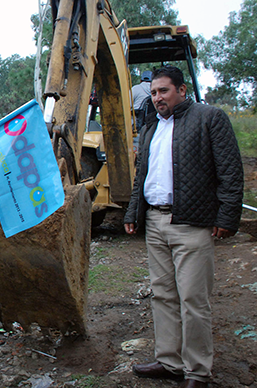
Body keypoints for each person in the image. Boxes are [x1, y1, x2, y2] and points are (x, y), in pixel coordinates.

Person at [124, 65, 243, 388]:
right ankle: (169, 361)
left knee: (193, 299)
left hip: (192, 221)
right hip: (156, 221)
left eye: (164, 91)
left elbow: (230, 172)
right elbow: (142, 176)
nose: (158, 97)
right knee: (162, 294)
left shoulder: (209, 119)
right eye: (153, 93)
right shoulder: (151, 128)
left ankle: (197, 370)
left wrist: (226, 217)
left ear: (181, 90)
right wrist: (133, 211)